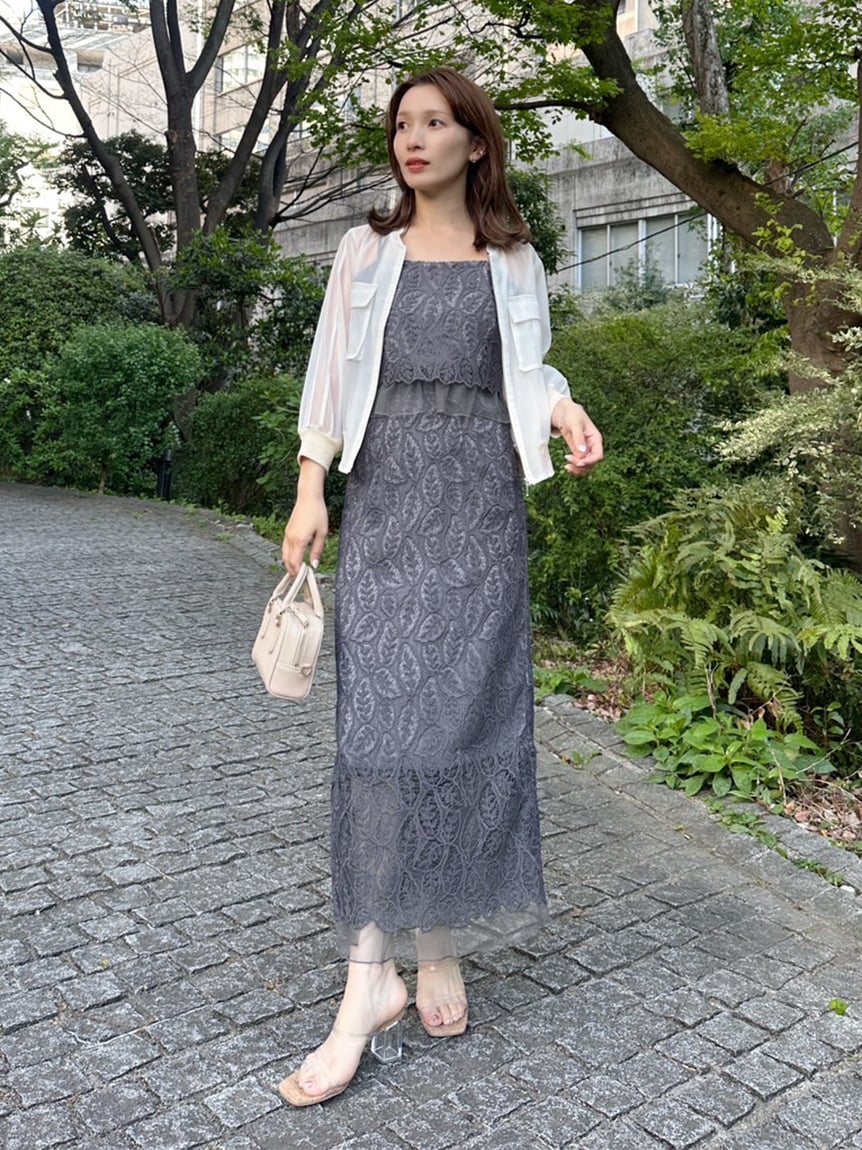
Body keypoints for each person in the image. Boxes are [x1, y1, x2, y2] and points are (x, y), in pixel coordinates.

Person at [278, 65, 603, 1107]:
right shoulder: (364, 250)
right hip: (387, 506)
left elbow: (528, 371)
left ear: (475, 141)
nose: (411, 139)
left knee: (458, 725)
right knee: (382, 736)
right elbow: (329, 372)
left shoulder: (516, 260)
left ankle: (436, 941)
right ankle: (366, 983)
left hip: (479, 515)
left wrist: (562, 407)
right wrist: (311, 488)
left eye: (433, 122)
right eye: (401, 125)